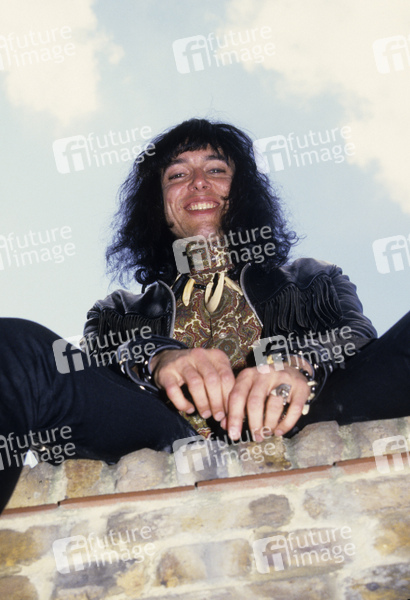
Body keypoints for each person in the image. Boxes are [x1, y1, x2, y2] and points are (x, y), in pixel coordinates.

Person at [0, 118, 409, 513]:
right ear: (158, 206)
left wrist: (299, 365)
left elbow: (355, 335)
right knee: (15, 348)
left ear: (242, 191)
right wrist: (156, 357)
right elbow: (94, 375)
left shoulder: (311, 275)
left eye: (216, 170)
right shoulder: (117, 309)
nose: (198, 182)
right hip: (161, 435)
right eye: (177, 175)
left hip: (309, 413)